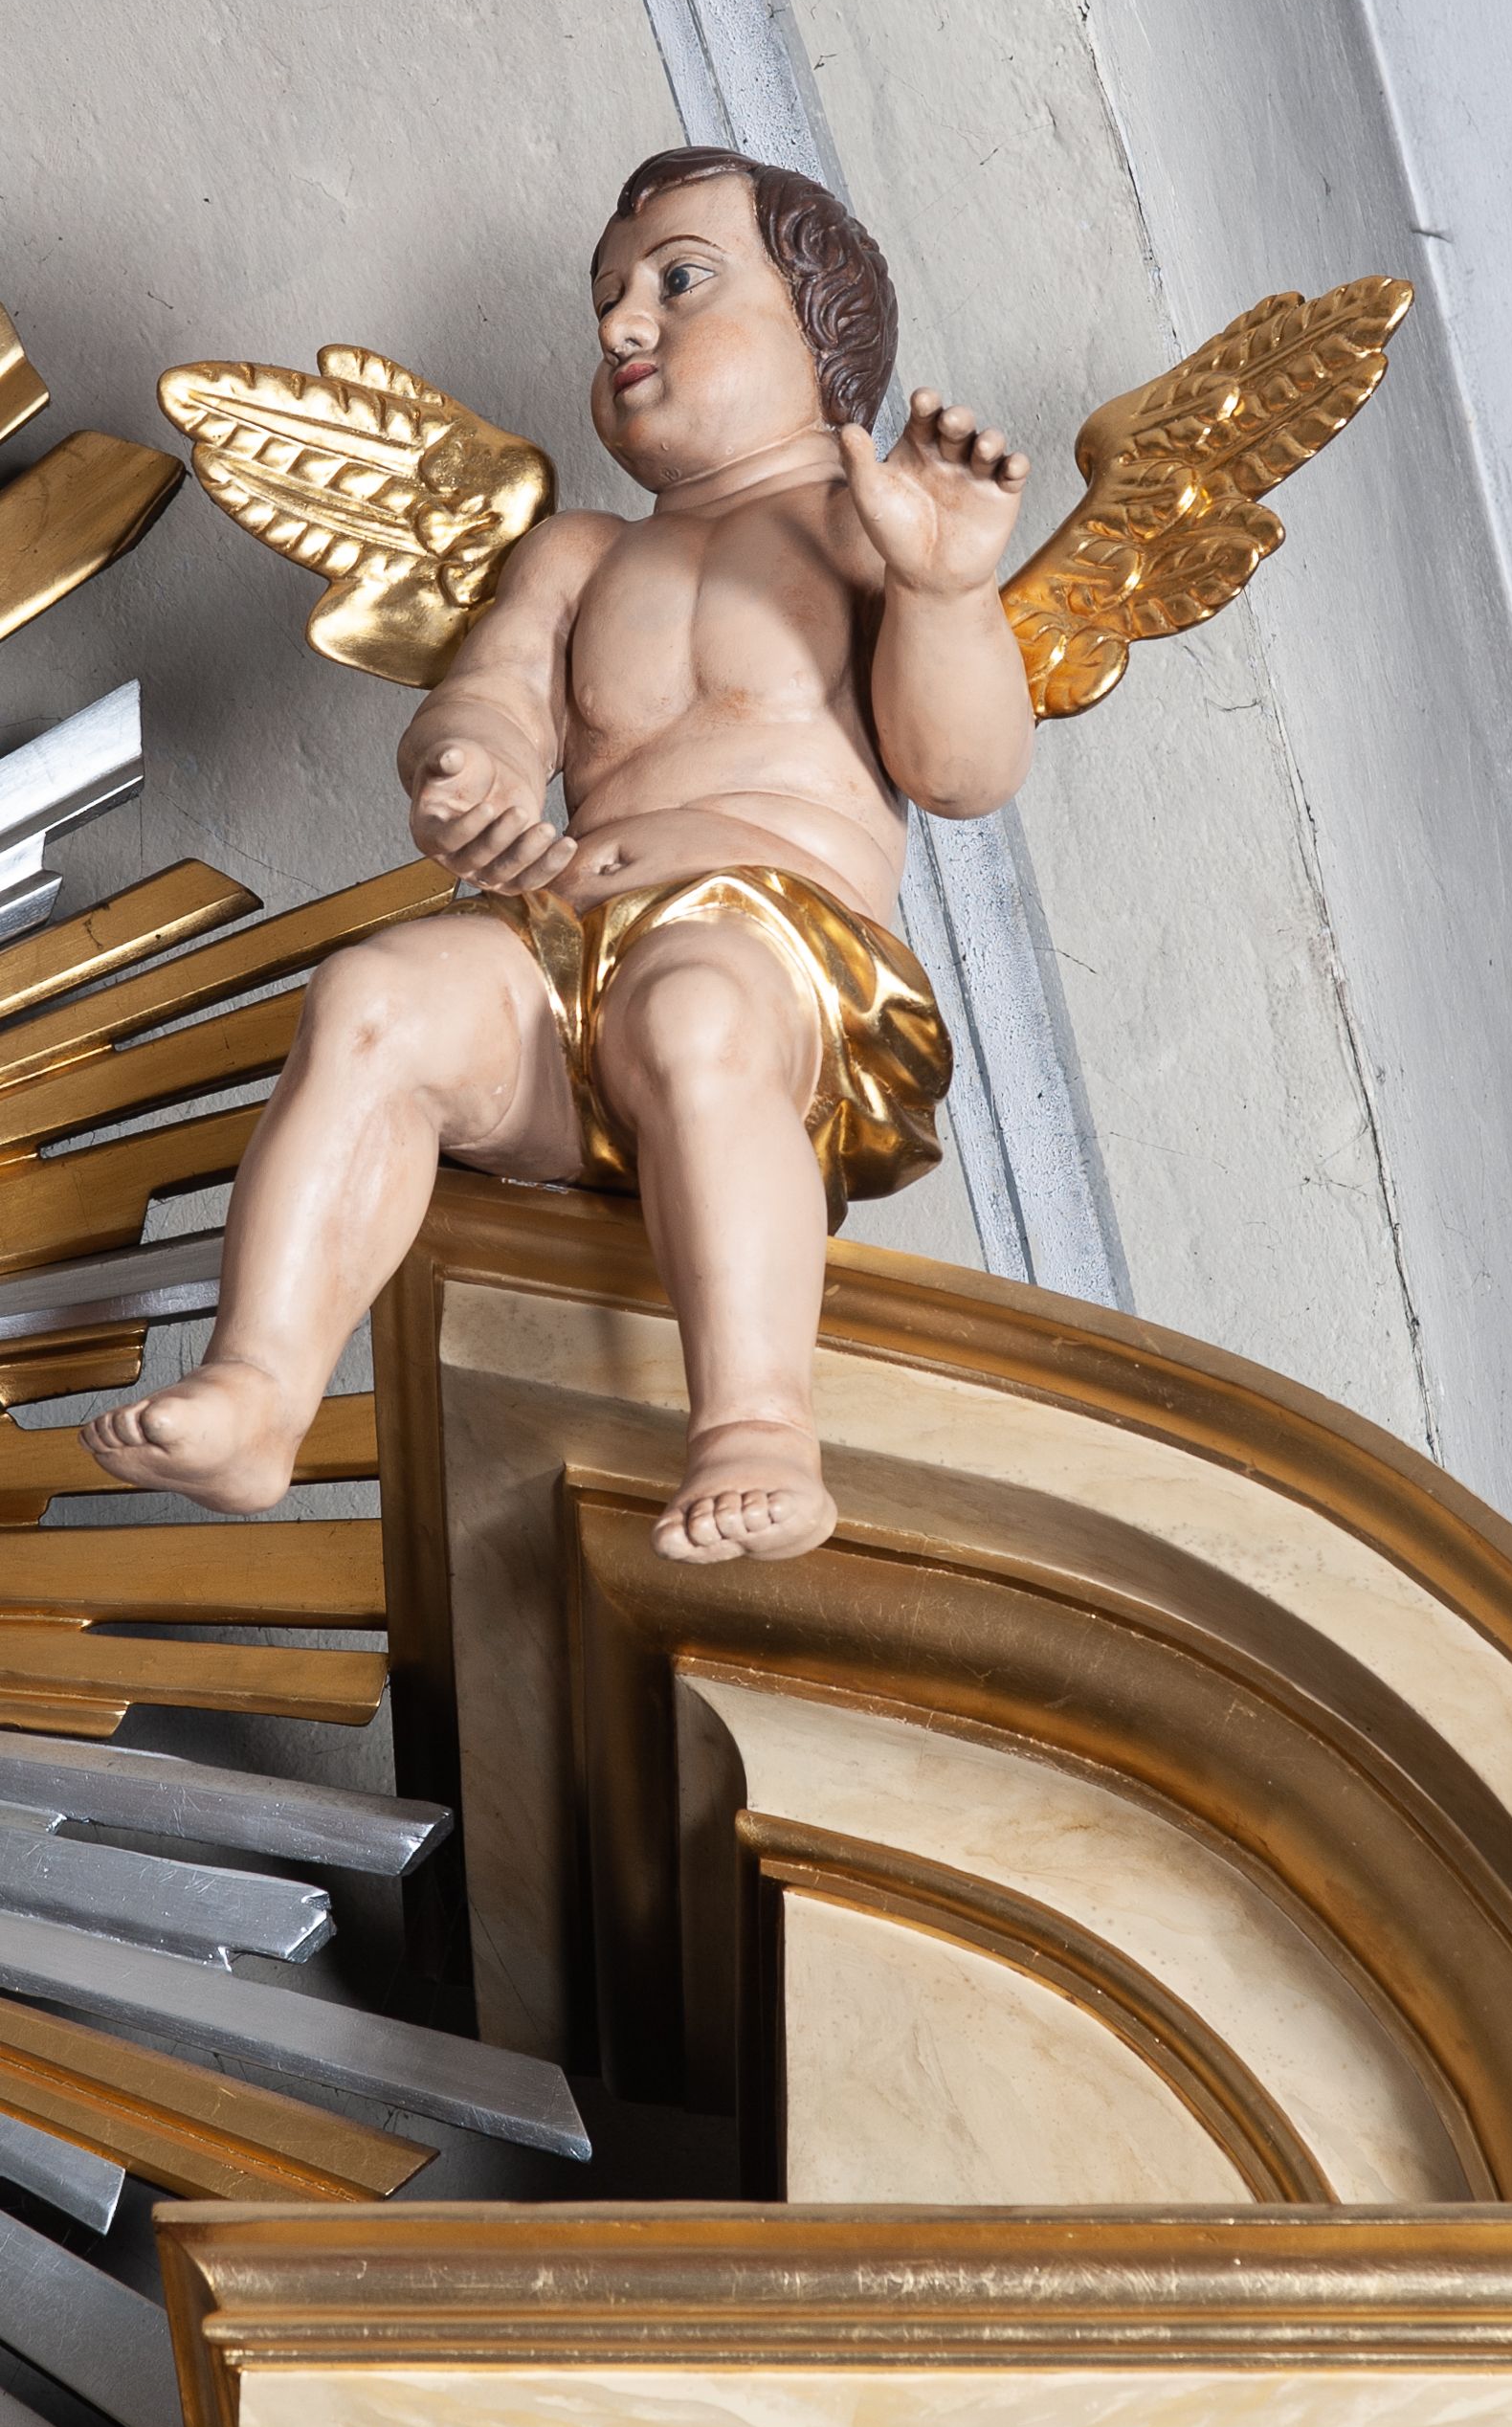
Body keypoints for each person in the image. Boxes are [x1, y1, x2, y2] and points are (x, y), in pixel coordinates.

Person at [81, 146, 1034, 1563]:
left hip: (770, 966)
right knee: (372, 995)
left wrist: (948, 587)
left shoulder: (866, 530)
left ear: (819, 326)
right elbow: (490, 699)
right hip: (559, 952)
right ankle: (261, 1389)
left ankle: (756, 1427)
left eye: (679, 280)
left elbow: (963, 771)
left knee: (694, 1013)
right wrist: (462, 773)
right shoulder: (584, 553)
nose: (624, 322)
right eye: (607, 299)